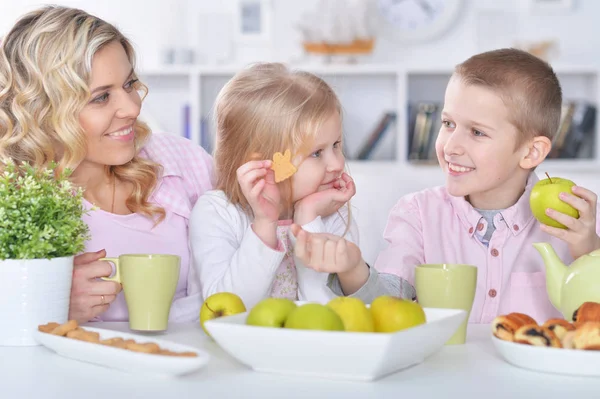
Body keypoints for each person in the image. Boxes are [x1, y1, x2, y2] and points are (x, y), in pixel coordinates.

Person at [0, 6, 213, 323]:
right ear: (44, 111)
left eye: (129, 84)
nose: (131, 108)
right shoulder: (14, 203)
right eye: (101, 97)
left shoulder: (178, 161)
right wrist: (44, 300)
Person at [371, 48, 600, 323]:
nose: (451, 146)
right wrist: (351, 270)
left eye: (477, 132)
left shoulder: (577, 223)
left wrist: (589, 252)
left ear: (531, 153)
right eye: (448, 123)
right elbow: (384, 301)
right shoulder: (417, 214)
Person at [189, 63, 415, 309]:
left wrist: (307, 218)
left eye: (337, 145)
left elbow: (337, 311)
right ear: (263, 164)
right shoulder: (216, 212)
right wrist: (265, 223)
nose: (338, 163)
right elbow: (225, 308)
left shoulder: (329, 210)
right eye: (317, 153)